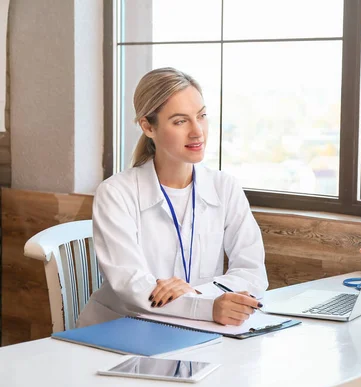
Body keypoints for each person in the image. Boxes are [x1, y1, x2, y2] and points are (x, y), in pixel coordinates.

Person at [77, 67, 268, 328]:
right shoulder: (115, 193)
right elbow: (133, 287)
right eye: (180, 121)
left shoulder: (225, 187)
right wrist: (207, 307)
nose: (197, 131)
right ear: (147, 126)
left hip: (193, 330)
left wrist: (197, 294)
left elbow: (252, 271)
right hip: (121, 330)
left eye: (201, 116)